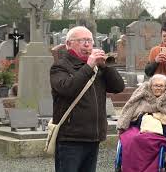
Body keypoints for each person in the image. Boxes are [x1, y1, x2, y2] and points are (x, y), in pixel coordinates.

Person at [50, 26, 125, 172]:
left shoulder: (98, 68)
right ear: (68, 44)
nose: (87, 44)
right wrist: (89, 66)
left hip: (93, 136)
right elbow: (68, 88)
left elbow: (118, 87)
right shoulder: (60, 67)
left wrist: (106, 66)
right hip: (71, 138)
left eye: (90, 40)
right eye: (82, 40)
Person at [117, 74, 166, 172]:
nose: (158, 88)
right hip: (141, 125)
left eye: (161, 86)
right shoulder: (144, 96)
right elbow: (132, 111)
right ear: (150, 86)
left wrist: (157, 116)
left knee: (144, 140)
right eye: (155, 85)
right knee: (129, 138)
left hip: (165, 128)